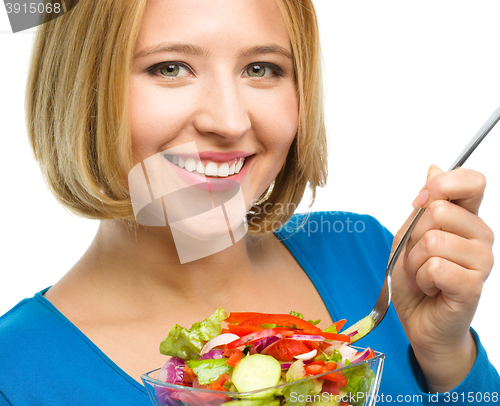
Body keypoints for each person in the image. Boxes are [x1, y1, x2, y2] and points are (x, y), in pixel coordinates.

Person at [0, 0, 498, 405]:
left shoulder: (372, 262)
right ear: (80, 90)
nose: (230, 121)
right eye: (170, 68)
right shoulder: (17, 373)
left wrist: (447, 361)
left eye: (261, 69)